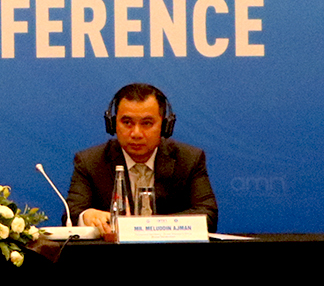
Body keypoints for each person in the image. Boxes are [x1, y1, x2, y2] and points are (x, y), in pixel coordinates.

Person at [68, 83, 218, 239]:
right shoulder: (90, 162)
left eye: (147, 123)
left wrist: (145, 227)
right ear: (112, 124)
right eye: (127, 123)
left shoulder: (189, 159)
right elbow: (72, 214)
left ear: (165, 126)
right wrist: (86, 216)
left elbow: (208, 215)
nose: (136, 133)